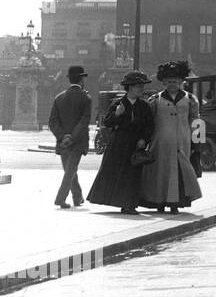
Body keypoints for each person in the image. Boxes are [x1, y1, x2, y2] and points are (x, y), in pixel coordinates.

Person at [139, 61, 203, 213]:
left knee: (180, 171)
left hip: (183, 142)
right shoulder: (155, 100)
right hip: (160, 143)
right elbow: (149, 122)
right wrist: (145, 140)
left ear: (181, 81)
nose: (172, 84)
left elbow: (197, 121)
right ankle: (159, 202)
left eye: (175, 81)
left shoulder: (191, 99)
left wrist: (198, 143)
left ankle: (176, 203)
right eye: (168, 82)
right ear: (163, 82)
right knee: (160, 173)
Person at [87, 70, 154, 214]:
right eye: (138, 86)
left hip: (136, 144)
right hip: (119, 144)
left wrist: (144, 139)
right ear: (129, 87)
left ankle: (130, 204)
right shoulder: (118, 103)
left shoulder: (144, 106)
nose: (141, 89)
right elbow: (108, 122)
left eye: (142, 86)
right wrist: (117, 114)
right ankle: (117, 201)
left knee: (133, 174)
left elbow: (150, 126)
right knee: (117, 173)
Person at [48, 64, 93, 208]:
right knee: (70, 171)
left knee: (70, 169)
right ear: (81, 80)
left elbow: (52, 122)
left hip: (62, 142)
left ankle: (77, 197)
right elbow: (84, 122)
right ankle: (60, 199)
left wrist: (63, 137)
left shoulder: (59, 98)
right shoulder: (86, 98)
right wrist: (72, 137)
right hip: (77, 141)